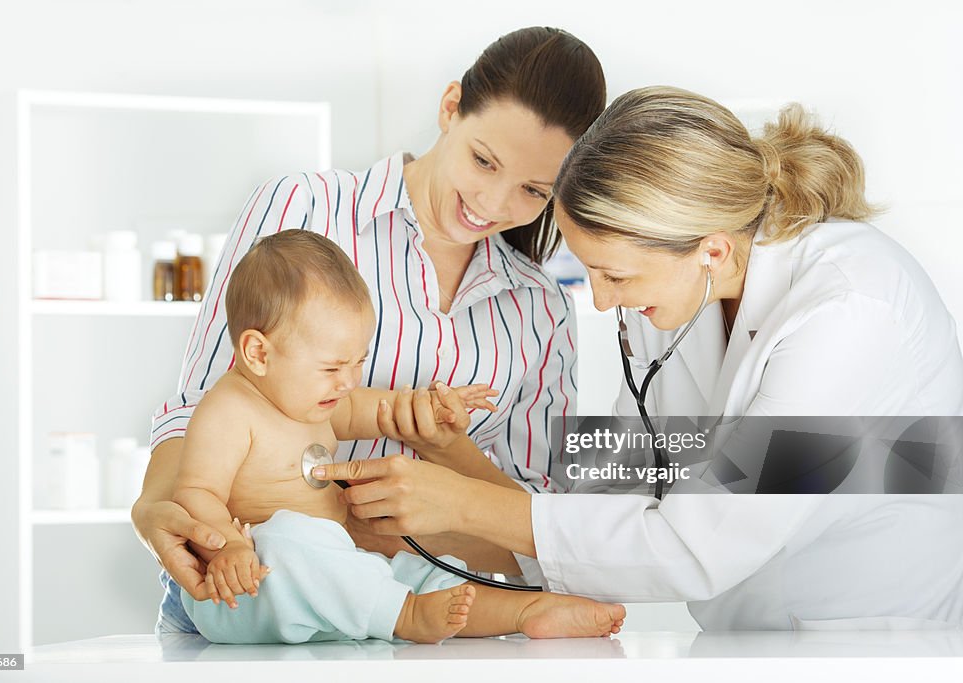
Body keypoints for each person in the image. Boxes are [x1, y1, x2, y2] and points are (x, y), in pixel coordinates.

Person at [313, 87, 963, 631]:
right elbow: (605, 509)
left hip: (874, 634)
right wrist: (448, 476)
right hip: (745, 635)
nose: (599, 301)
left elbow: (696, 540)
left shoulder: (852, 311)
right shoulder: (674, 297)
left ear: (710, 249)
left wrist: (460, 505)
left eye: (612, 275)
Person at [132, 26, 608, 634]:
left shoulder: (540, 309)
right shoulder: (305, 210)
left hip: (431, 611)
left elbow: (540, 530)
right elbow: (203, 406)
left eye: (533, 191)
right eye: (483, 160)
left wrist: (448, 454)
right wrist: (159, 507)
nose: (491, 202)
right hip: (262, 588)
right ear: (450, 106)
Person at [172, 230, 625, 643]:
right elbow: (195, 492)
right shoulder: (230, 411)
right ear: (258, 353)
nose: (348, 381)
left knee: (421, 572)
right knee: (289, 539)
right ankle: (406, 614)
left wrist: (427, 407)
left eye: (357, 362)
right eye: (332, 368)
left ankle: (526, 610)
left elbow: (374, 409)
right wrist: (229, 547)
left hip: (337, 571)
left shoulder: (313, 398)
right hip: (250, 586)